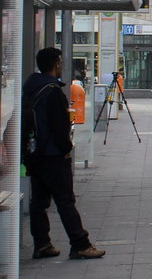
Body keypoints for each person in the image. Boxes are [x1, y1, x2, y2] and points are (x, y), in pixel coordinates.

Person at [22, 47, 105, 260]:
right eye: (60, 62)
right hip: (54, 155)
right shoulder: (53, 92)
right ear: (56, 64)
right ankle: (80, 244)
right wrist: (66, 149)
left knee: (38, 201)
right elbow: (59, 128)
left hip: (35, 154)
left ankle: (42, 244)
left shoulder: (30, 88)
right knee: (65, 200)